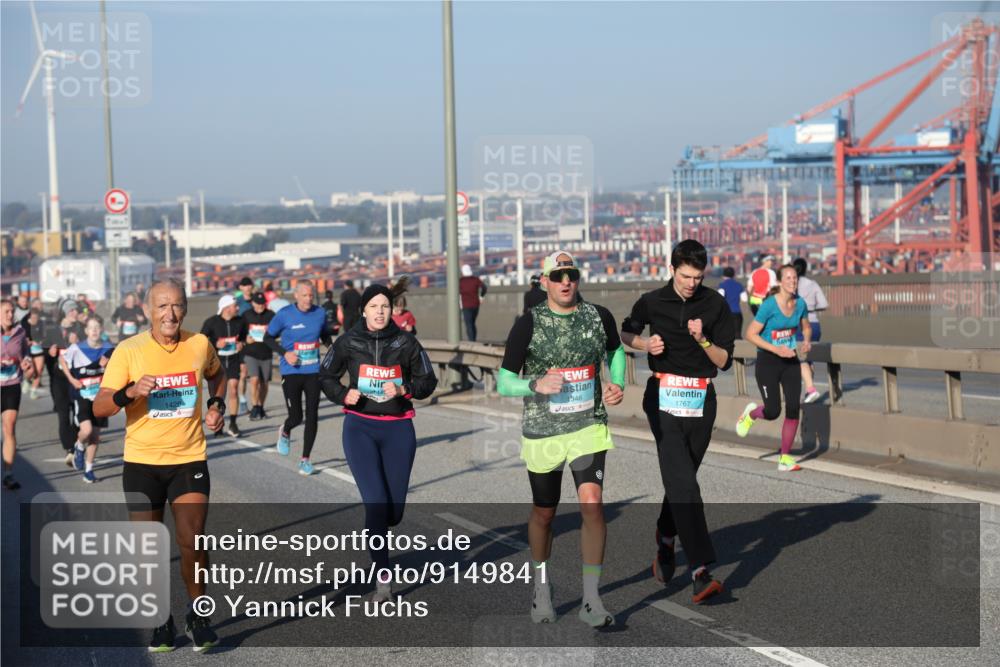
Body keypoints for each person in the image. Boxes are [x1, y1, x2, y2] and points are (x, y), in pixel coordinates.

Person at [93, 277, 226, 653]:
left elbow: (218, 376)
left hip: (188, 458)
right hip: (142, 464)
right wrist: (130, 392)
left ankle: (198, 615)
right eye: (162, 306)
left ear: (185, 308)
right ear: (148, 311)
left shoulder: (199, 344)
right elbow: (99, 406)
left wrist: (216, 405)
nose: (171, 313)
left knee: (194, 537)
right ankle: (159, 619)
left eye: (178, 305)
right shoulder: (129, 350)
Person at [498, 251, 626, 627]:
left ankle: (591, 600)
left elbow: (615, 351)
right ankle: (541, 586)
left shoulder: (598, 316)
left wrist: (615, 382)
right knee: (545, 512)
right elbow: (504, 380)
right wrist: (535, 383)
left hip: (588, 425)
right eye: (558, 276)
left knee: (592, 503)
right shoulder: (529, 324)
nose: (566, 281)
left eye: (571, 274)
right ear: (545, 282)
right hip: (543, 430)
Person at [621, 239, 735, 604]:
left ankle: (666, 536)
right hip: (664, 399)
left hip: (702, 400)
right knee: (684, 481)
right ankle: (701, 571)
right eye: (686, 276)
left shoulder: (715, 303)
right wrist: (643, 345)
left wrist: (702, 340)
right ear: (672, 269)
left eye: (698, 276)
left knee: (682, 479)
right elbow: (624, 331)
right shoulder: (652, 300)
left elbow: (724, 361)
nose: (691, 283)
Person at [319, 276, 437, 602]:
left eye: (385, 306)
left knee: (393, 511)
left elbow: (429, 380)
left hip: (398, 429)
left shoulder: (406, 343)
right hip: (360, 429)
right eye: (374, 306)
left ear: (392, 309)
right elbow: (325, 374)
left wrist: (404, 389)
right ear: (364, 310)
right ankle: (383, 578)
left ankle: (380, 532)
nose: (380, 311)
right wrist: (344, 393)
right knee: (375, 503)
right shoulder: (348, 342)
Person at [736, 264, 812, 472]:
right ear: (779, 282)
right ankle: (751, 414)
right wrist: (775, 349)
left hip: (790, 361)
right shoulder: (769, 305)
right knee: (773, 411)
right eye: (788, 278)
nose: (792, 281)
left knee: (794, 407)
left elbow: (806, 326)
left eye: (795, 278)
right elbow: (750, 334)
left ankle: (785, 458)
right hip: (768, 362)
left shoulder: (801, 304)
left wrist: (806, 340)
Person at [265, 280, 333, 475]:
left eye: (311, 295)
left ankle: (305, 459)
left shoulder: (319, 313)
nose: (308, 299)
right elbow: (267, 338)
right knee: (296, 416)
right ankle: (286, 430)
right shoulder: (284, 315)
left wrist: (334, 350)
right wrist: (284, 353)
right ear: (295, 296)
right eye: (304, 295)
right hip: (291, 371)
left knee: (313, 415)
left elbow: (325, 336)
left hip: (312, 371)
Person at [60, 314, 114, 483]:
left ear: (102, 330)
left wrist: (109, 366)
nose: (94, 331)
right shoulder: (77, 348)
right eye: (91, 328)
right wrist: (72, 379)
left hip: (100, 397)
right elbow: (62, 359)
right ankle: (78, 446)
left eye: (97, 328)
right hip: (82, 395)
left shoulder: (108, 348)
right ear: (86, 331)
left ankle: (88, 470)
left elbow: (119, 368)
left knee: (95, 436)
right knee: (87, 431)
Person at [43, 300, 85, 466]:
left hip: (76, 377)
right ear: (66, 312)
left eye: (76, 310)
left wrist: (78, 343)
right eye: (72, 310)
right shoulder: (54, 330)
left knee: (77, 415)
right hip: (59, 378)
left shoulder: (81, 329)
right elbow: (46, 352)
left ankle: (76, 443)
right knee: (63, 414)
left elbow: (89, 349)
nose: (75, 313)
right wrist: (50, 352)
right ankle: (69, 448)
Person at [200, 294, 247, 438]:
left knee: (233, 389)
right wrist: (215, 343)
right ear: (226, 308)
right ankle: (218, 426)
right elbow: (201, 340)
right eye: (235, 306)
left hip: (233, 360)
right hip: (217, 364)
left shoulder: (241, 322)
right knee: (217, 396)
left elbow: (245, 338)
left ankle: (233, 423)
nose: (238, 308)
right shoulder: (212, 322)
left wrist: (242, 344)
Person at [2, 299, 36, 490]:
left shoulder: (20, 333)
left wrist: (27, 367)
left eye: (11, 311)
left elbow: (26, 359)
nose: (10, 315)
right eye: (6, 311)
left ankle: (8, 473)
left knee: (9, 426)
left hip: (12, 385)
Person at [793, 258, 828, 404]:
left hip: (799, 323)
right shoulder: (812, 284)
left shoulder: (792, 284)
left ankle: (810, 389)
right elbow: (824, 304)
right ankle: (809, 392)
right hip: (814, 323)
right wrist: (812, 308)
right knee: (809, 357)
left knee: (799, 357)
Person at [242, 292, 275, 420]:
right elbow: (240, 333)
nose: (260, 306)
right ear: (253, 303)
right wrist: (245, 339)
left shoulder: (271, 315)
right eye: (258, 303)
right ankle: (255, 407)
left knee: (265, 383)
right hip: (251, 353)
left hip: (266, 353)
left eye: (262, 303)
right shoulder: (246, 315)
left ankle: (261, 407)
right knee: (254, 380)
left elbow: (277, 331)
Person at [20, 308, 46, 399]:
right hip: (28, 351)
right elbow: (21, 338)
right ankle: (26, 381)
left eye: (36, 318)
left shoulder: (41, 323)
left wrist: (39, 341)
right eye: (33, 318)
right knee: (31, 370)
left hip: (38, 350)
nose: (35, 320)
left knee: (38, 371)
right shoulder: (24, 323)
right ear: (30, 316)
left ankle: (33, 391)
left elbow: (44, 337)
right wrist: (27, 341)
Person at [459, 264, 487, 342]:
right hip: (476, 305)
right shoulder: (476, 279)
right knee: (472, 323)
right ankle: (473, 339)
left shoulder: (461, 281)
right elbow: (484, 288)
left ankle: (472, 341)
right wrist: (481, 297)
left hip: (466, 305)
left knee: (469, 324)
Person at [716, 267, 746, 338]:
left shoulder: (722, 285)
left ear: (723, 275)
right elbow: (744, 299)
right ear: (733, 275)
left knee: (726, 335)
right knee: (737, 335)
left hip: (726, 313)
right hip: (737, 313)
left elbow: (720, 297)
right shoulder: (739, 285)